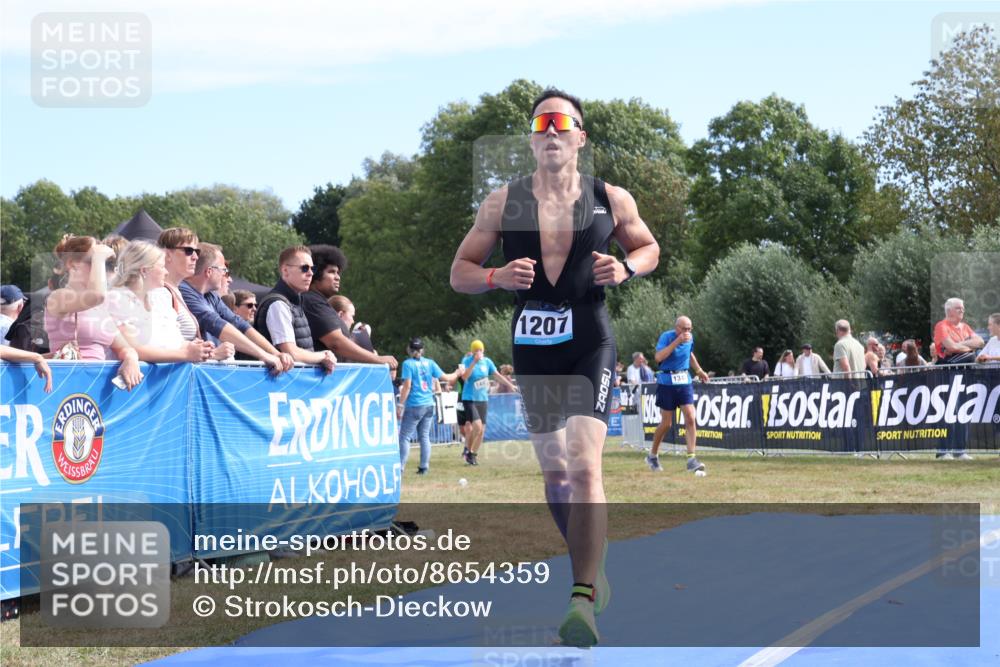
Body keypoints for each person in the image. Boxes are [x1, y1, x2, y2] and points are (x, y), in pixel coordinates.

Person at [449, 88, 660, 646]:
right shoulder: (502, 202)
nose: (550, 131)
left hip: (591, 339)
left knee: (586, 465)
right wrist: (494, 277)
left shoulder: (610, 198)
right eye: (541, 122)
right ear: (531, 137)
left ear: (579, 138)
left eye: (561, 122)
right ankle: (593, 557)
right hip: (533, 346)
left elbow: (649, 248)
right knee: (557, 476)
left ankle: (581, 598)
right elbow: (460, 271)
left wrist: (628, 268)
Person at [43, 235, 143, 390]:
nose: (100, 267)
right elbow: (97, 295)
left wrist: (131, 359)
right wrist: (100, 255)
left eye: (104, 263)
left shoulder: (100, 308)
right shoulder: (58, 296)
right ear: (72, 264)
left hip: (95, 388)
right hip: (67, 386)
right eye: (93, 261)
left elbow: (124, 347)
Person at [180, 243, 292, 374]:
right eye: (224, 270)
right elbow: (216, 324)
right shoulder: (185, 291)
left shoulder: (210, 295)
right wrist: (263, 355)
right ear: (209, 271)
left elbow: (239, 324)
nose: (226, 276)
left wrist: (276, 353)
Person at [107, 240, 215, 363]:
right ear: (144, 271)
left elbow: (174, 342)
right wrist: (185, 354)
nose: (166, 272)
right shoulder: (117, 299)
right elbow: (135, 349)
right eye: (162, 266)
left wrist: (197, 348)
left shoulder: (161, 298)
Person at [301, 244, 398, 369]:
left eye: (338, 272)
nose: (338, 277)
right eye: (331, 272)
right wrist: (376, 359)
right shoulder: (312, 301)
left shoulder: (316, 301)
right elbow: (336, 343)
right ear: (316, 274)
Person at [254, 246, 336, 373]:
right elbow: (292, 353)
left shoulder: (293, 302)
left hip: (293, 384)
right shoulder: (278, 304)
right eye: (304, 268)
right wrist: (324, 356)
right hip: (280, 386)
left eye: (312, 268)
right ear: (285, 271)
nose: (311, 273)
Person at [157, 227, 234, 361]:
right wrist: (213, 354)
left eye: (196, 251)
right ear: (167, 254)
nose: (195, 257)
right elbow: (157, 343)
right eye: (188, 251)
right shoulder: (160, 293)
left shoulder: (176, 292)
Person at [645, 316, 710, 473]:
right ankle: (652, 455)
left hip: (684, 381)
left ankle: (691, 459)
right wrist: (677, 341)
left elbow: (690, 354)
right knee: (666, 423)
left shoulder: (690, 338)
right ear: (677, 328)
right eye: (684, 329)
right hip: (667, 381)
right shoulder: (666, 337)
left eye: (689, 329)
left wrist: (699, 370)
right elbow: (658, 357)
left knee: (690, 417)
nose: (687, 332)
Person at [396, 337, 460, 475]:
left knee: (405, 437)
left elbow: (406, 386)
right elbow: (447, 378)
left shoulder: (408, 364)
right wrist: (458, 372)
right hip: (429, 404)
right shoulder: (430, 363)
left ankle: (400, 468)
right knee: (424, 436)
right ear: (422, 350)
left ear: (409, 350)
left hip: (415, 404)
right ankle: (424, 467)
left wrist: (400, 405)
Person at [457, 339, 516, 465]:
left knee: (482, 430)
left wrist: (510, 385)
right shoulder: (467, 361)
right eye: (476, 350)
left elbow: (496, 375)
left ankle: (472, 454)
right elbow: (464, 377)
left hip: (483, 398)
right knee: (477, 426)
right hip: (469, 398)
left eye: (480, 349)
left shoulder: (487, 361)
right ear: (472, 351)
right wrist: (474, 362)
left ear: (483, 350)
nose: (478, 352)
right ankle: (467, 449)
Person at [934, 298, 984, 365]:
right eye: (958, 308)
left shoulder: (965, 326)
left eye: (963, 309)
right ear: (949, 311)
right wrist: (972, 348)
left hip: (964, 365)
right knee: (972, 356)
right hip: (947, 367)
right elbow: (952, 348)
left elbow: (980, 342)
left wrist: (958, 345)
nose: (962, 311)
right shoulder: (941, 326)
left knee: (974, 355)